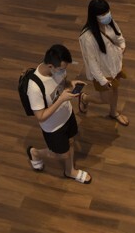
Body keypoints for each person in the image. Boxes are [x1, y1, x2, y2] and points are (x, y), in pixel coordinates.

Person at [25, 44, 91, 183]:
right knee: (62, 155)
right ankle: (35, 153)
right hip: (53, 127)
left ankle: (70, 171)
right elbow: (41, 117)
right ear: (50, 66)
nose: (63, 71)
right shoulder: (34, 87)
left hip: (67, 114)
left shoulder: (58, 70)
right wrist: (61, 100)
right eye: (61, 69)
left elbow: (61, 84)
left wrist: (70, 84)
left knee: (71, 141)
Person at [77, 0, 129, 126]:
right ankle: (84, 98)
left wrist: (122, 45)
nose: (107, 16)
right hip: (103, 73)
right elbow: (92, 63)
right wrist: (102, 80)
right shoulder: (88, 38)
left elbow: (119, 36)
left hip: (115, 66)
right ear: (94, 16)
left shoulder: (110, 23)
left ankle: (113, 112)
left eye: (107, 12)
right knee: (105, 98)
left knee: (115, 91)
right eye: (103, 14)